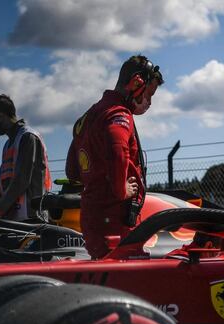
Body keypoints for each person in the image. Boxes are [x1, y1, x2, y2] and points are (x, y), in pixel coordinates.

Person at [65, 55, 163, 259]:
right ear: (137, 82)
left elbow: (72, 171)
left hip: (92, 216)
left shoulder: (89, 115)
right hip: (115, 220)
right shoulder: (118, 114)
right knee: (124, 283)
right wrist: (121, 190)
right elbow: (117, 150)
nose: (150, 102)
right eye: (149, 94)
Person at [0, 94, 51, 221]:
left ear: (1, 115)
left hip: (31, 215)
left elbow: (21, 180)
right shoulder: (8, 144)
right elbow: (5, 181)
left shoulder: (27, 137)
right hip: (14, 217)